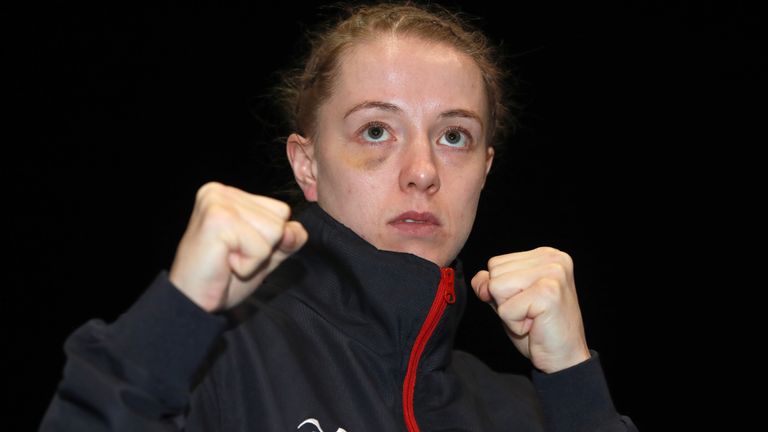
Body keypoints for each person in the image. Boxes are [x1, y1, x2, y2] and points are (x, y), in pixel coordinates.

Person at [40, 2, 637, 431]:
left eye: (454, 135)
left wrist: (573, 382)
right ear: (308, 165)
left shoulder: (519, 410)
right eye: (376, 130)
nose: (422, 171)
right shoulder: (214, 365)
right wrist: (176, 313)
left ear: (484, 168)